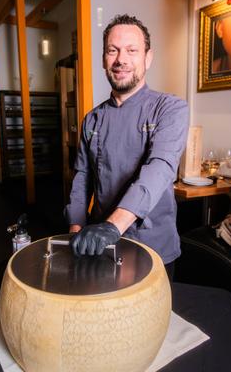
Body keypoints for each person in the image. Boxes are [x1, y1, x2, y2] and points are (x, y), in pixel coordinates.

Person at [65, 14, 189, 278]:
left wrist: (113, 226)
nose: (121, 59)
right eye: (113, 50)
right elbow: (82, 177)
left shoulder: (170, 108)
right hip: (101, 248)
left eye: (132, 50)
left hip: (154, 248)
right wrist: (76, 232)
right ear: (104, 60)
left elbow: (160, 167)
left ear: (148, 57)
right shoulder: (92, 118)